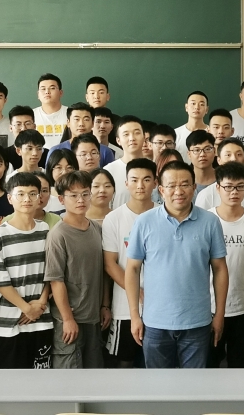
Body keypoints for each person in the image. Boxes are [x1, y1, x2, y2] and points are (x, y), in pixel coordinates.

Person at [125, 161, 228, 369]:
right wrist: (135, 316)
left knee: (194, 384)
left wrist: (219, 314)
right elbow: (132, 269)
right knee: (158, 385)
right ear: (161, 190)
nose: (178, 191)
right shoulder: (144, 222)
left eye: (185, 184)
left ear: (194, 187)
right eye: (171, 185)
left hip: (198, 322)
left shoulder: (210, 222)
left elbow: (220, 269)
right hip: (154, 323)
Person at [0, 173, 54, 369]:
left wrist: (41, 303)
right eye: (20, 194)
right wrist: (26, 308)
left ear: (39, 197)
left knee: (41, 376)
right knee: (11, 380)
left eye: (33, 194)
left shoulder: (46, 231)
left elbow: (52, 273)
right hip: (9, 323)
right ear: (10, 198)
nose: (27, 199)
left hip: (41, 318)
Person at [43, 171, 107, 369]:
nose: (81, 200)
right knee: (70, 376)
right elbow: (56, 280)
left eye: (85, 194)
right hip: (70, 319)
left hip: (94, 318)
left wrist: (105, 305)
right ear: (61, 199)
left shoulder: (96, 228)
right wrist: (67, 319)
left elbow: (104, 271)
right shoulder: (58, 235)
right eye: (74, 195)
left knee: (94, 374)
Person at [207, 162, 244, 369]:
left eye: (240, 187)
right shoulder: (206, 220)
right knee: (209, 366)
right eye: (228, 187)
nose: (234, 192)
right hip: (209, 307)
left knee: (241, 366)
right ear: (218, 188)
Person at [103, 158, 157, 369]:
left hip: (160, 306)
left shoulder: (165, 214)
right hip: (124, 307)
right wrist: (137, 291)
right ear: (126, 183)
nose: (140, 185)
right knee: (124, 363)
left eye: (146, 179)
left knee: (157, 364)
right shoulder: (113, 218)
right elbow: (110, 264)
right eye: (134, 180)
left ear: (156, 183)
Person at [33, 73, 68, 148]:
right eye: (43, 89)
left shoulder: (71, 114)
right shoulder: (31, 115)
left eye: (52, 88)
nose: (47, 92)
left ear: (60, 93)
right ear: (38, 94)